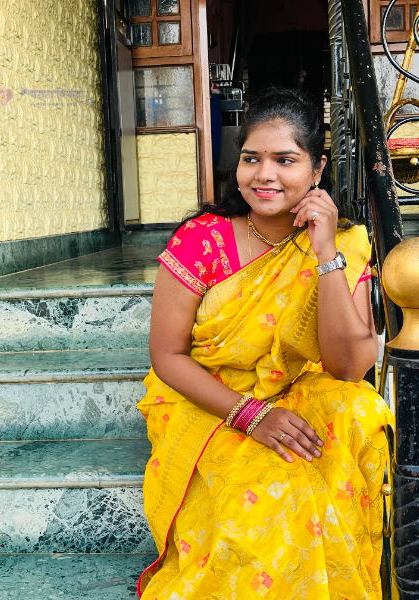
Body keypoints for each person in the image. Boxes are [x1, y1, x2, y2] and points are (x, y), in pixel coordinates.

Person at [137, 87, 392, 600]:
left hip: (296, 389)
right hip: (207, 399)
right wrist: (252, 415)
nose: (264, 174)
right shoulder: (202, 240)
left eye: (285, 160)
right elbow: (167, 356)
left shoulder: (344, 242)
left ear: (317, 170)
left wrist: (325, 253)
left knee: (362, 409)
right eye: (251, 158)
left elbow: (348, 367)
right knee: (279, 492)